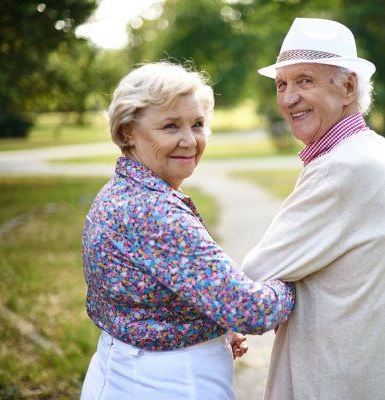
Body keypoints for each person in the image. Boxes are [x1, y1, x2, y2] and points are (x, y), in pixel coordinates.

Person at [80, 62, 295, 400]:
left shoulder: (121, 191)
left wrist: (215, 323)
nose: (189, 140)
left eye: (197, 124)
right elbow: (252, 310)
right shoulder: (153, 211)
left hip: (119, 371)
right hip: (171, 383)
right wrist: (299, 282)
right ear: (128, 133)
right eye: (170, 126)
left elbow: (152, 297)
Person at [242, 18, 385, 400]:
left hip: (336, 381)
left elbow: (255, 276)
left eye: (305, 80)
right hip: (370, 374)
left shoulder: (342, 169)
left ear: (347, 87)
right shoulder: (374, 148)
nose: (288, 97)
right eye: (282, 84)